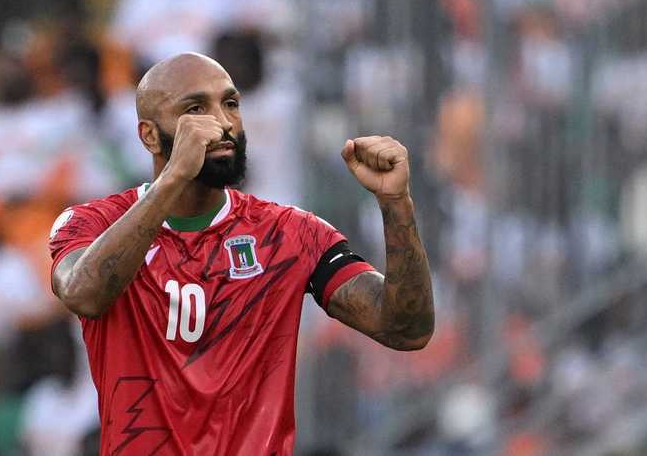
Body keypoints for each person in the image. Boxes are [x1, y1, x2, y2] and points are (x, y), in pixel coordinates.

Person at [48, 52, 435, 454]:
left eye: (230, 103)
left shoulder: (292, 234)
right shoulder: (92, 224)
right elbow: (83, 294)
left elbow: (407, 330)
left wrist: (397, 205)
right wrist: (175, 177)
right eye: (195, 109)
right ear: (149, 136)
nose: (222, 122)